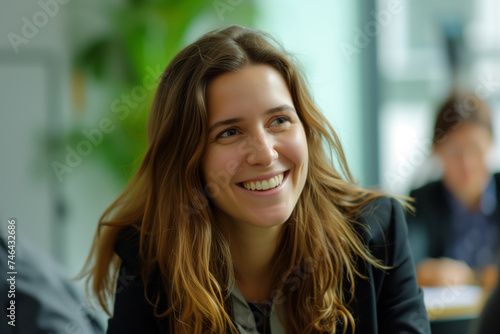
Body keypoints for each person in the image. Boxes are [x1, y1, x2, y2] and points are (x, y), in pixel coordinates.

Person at [80, 25, 430, 333]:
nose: (264, 153)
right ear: (186, 159)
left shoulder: (375, 232)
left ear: (305, 129)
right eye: (230, 132)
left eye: (279, 120)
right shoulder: (151, 260)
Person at [407, 93, 500, 287]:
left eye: (476, 149)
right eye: (455, 152)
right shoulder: (421, 201)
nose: (467, 164)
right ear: (437, 150)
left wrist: (473, 277)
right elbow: (409, 266)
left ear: (491, 144)